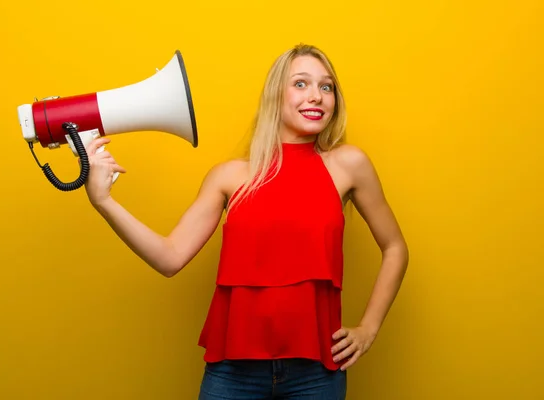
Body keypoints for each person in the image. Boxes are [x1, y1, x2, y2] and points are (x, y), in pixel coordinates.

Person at [83, 43, 409, 399]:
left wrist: (369, 328)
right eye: (301, 83)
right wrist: (104, 201)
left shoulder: (349, 164)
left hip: (316, 373)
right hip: (232, 375)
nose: (316, 96)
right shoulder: (229, 176)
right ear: (275, 94)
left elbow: (395, 248)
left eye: (326, 87)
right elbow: (169, 257)